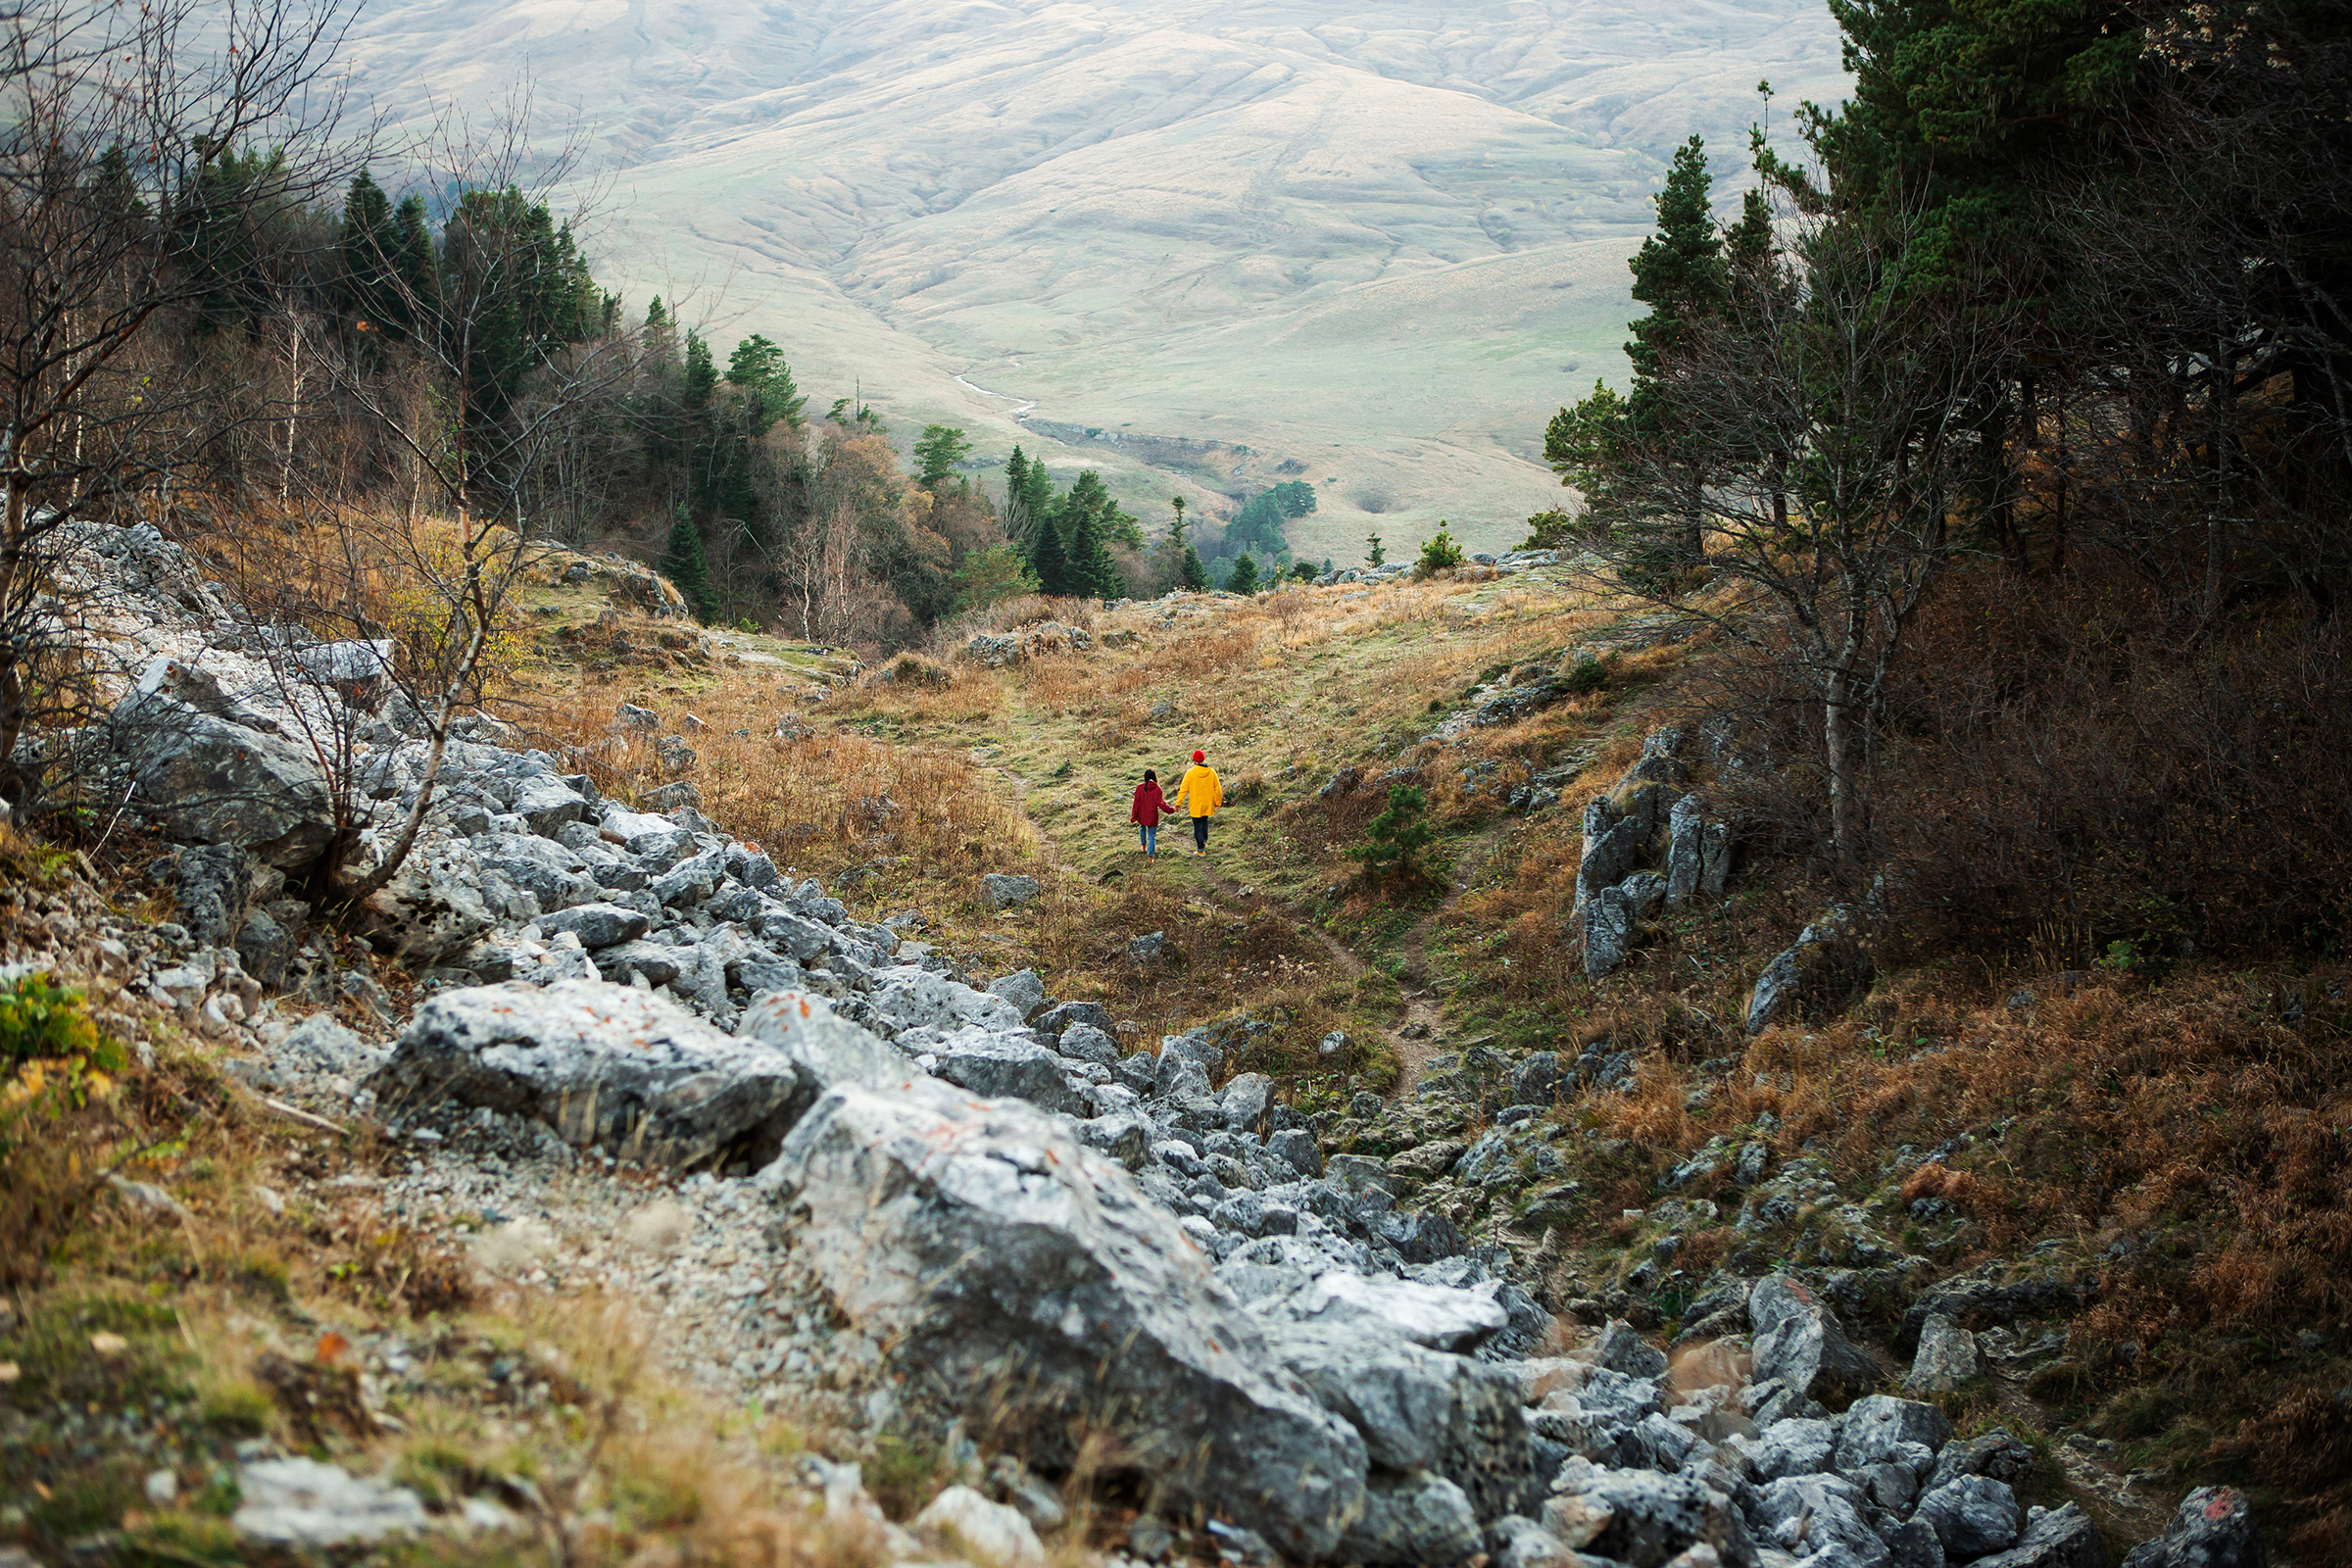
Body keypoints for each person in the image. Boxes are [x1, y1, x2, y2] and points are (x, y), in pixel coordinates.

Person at [1170, 748, 1222, 856]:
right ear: (1203, 759)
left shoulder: (1190, 773)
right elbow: (1218, 789)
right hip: (1207, 804)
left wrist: (1178, 803)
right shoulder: (1212, 772)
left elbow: (1183, 789)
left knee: (1197, 827)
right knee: (1205, 822)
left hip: (1195, 805)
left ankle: (1200, 850)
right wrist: (1218, 802)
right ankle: (1204, 841)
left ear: (1194, 760)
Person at [1130, 768, 1170, 857]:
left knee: (1142, 828)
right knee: (1152, 836)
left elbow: (1136, 803)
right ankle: (1150, 856)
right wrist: (1171, 810)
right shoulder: (1157, 789)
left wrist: (1134, 816)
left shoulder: (1139, 787)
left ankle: (1143, 846)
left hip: (1142, 814)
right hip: (1152, 816)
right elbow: (1161, 804)